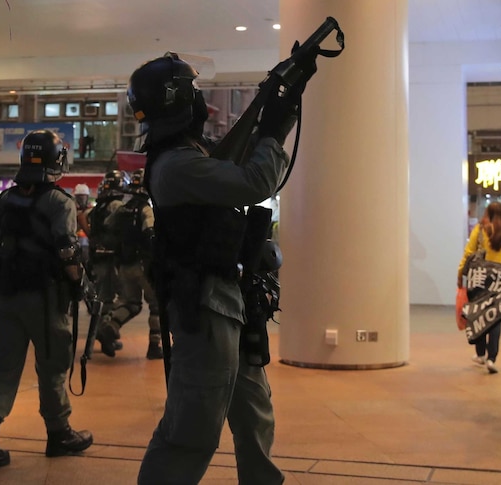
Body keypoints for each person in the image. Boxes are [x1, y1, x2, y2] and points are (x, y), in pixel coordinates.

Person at [129, 52, 296, 485]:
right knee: (192, 430)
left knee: (255, 413)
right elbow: (253, 182)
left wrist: (265, 125)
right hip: (204, 307)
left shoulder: (187, 154)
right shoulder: (177, 164)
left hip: (228, 299)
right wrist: (273, 134)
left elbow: (232, 167)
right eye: (195, 90)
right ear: (179, 100)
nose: (202, 101)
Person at [0, 129, 92, 471]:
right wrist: (79, 284)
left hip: (7, 296)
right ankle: (59, 433)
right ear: (58, 162)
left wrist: (1, 281)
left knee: (4, 368)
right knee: (51, 366)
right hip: (45, 297)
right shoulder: (60, 202)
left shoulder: (3, 201)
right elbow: (67, 250)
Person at [97, 168, 163, 360]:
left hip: (124, 266)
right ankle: (154, 346)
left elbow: (108, 226)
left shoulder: (121, 209)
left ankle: (111, 326)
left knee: (132, 303)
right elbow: (150, 233)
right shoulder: (145, 209)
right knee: (156, 305)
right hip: (142, 264)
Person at [456, 201, 501, 374]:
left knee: (479, 313)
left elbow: (469, 252)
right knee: (495, 318)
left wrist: (460, 273)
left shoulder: (481, 229)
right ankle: (492, 358)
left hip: (480, 279)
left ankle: (481, 354)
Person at [87, 170, 129, 353]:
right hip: (113, 260)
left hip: (98, 259)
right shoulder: (117, 206)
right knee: (127, 300)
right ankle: (106, 333)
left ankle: (102, 337)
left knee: (104, 300)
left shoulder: (98, 208)